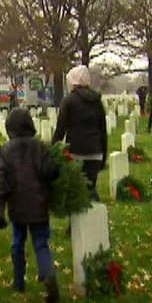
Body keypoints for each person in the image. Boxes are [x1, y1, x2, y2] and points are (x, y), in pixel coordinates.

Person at [0, 108, 60, 303]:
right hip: (39, 204)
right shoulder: (40, 147)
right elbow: (51, 171)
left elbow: (2, 181)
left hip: (17, 206)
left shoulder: (5, 150)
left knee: (18, 243)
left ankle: (18, 281)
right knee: (41, 243)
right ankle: (48, 276)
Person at [51, 65, 108, 201]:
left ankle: (77, 223)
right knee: (91, 190)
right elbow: (102, 130)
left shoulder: (69, 101)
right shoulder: (97, 101)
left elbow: (60, 130)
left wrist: (54, 152)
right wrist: (103, 156)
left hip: (75, 153)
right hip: (95, 152)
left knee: (76, 194)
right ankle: (96, 219)